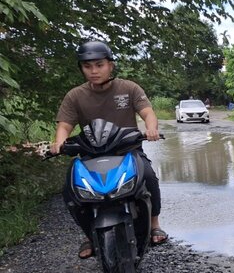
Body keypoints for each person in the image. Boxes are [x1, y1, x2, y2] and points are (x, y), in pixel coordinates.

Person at [51, 41, 168, 259]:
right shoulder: (75, 95)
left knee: (149, 177)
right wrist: (59, 143)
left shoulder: (129, 88)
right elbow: (64, 125)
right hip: (90, 154)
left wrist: (151, 129)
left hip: (127, 151)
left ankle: (154, 224)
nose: (94, 71)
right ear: (81, 68)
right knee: (70, 191)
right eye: (87, 66)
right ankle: (89, 234)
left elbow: (148, 112)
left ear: (110, 65)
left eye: (99, 65)